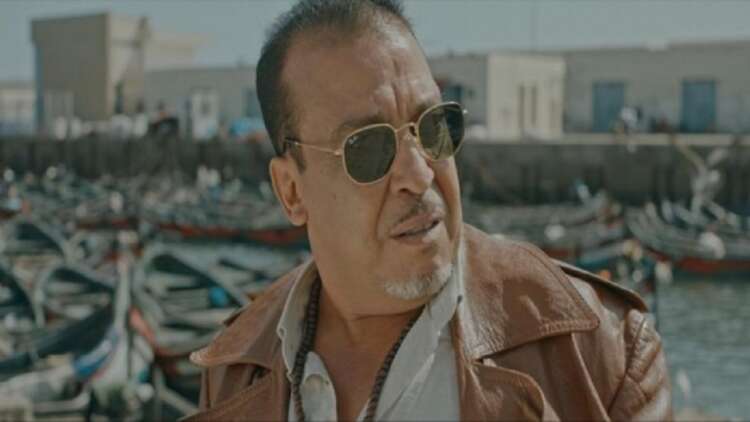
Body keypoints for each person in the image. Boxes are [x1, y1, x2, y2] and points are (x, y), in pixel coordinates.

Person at [183, 1, 672, 420]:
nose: (419, 174)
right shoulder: (232, 372)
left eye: (434, 127)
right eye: (368, 148)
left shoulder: (603, 352)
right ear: (291, 191)